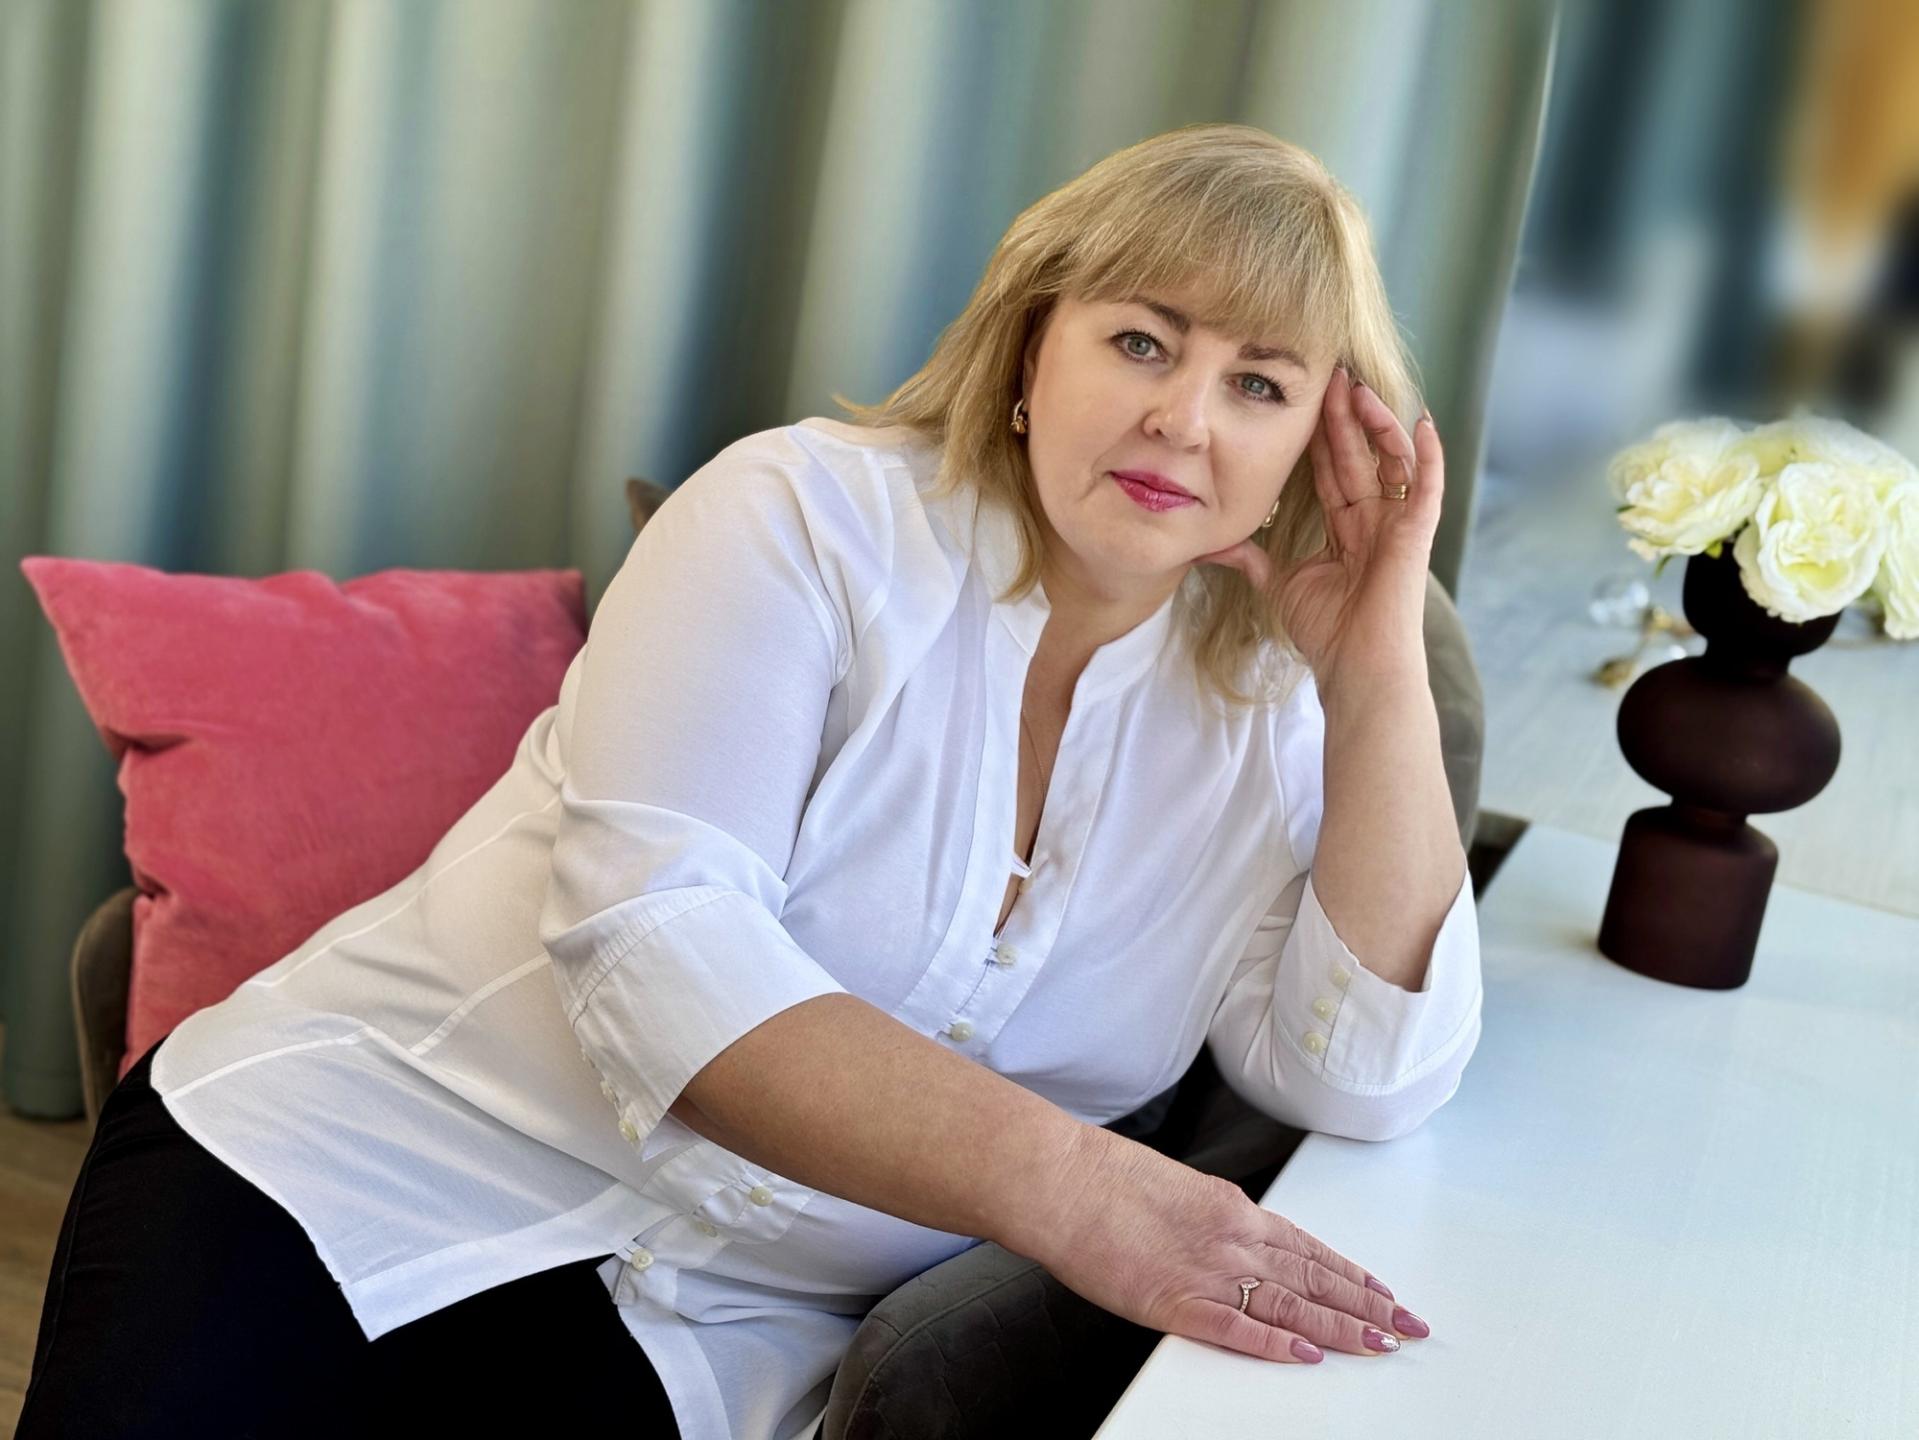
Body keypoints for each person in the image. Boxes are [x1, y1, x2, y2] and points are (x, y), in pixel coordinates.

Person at [22, 121, 1482, 1440]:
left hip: (718, 1336)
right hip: (371, 1157)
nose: (1187, 420)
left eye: (1259, 384)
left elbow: (1361, 1074)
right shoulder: (799, 516)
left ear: (1309, 447)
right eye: (1143, 343)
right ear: (1034, 353)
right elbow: (662, 955)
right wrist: (1088, 1195)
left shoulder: (1276, 720)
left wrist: (1376, 676)